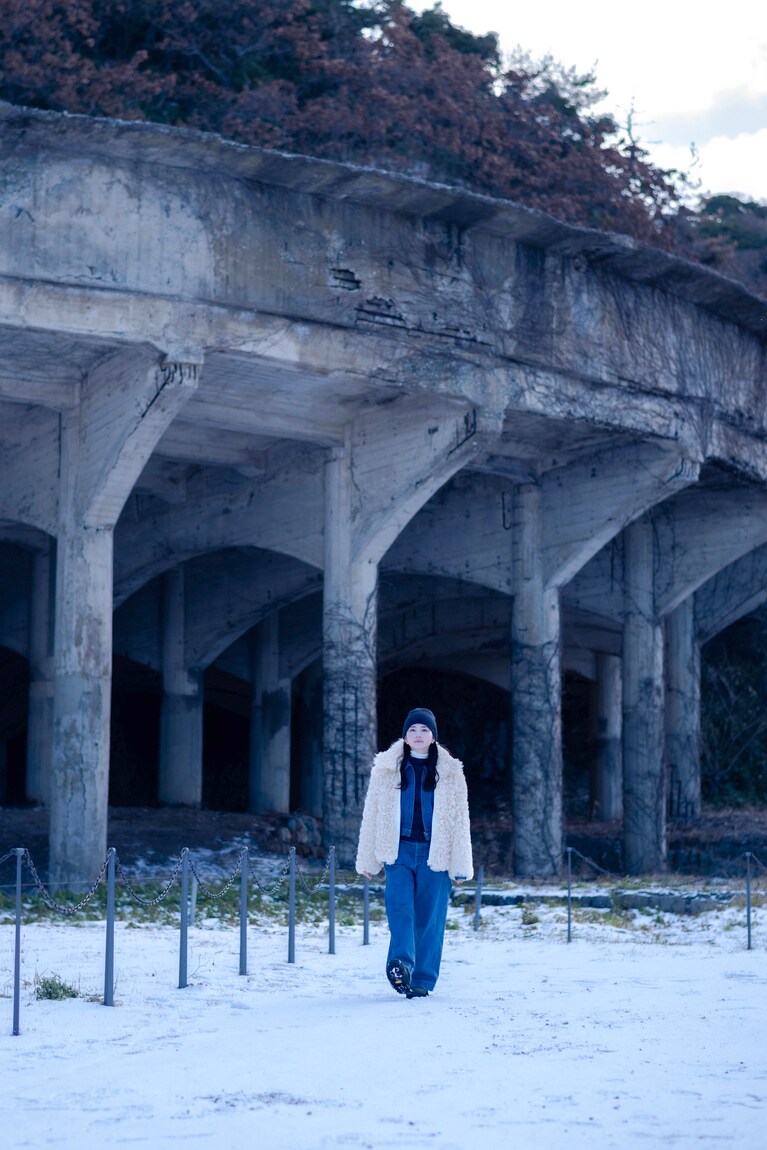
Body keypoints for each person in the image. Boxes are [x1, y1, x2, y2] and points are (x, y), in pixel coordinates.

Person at [356, 707, 473, 999]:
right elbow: (371, 815)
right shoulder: (385, 769)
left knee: (430, 919)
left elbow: (461, 820)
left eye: (424, 730)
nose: (418, 735)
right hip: (399, 852)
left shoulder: (450, 772)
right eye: (412, 730)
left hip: (437, 854)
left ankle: (422, 979)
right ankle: (401, 965)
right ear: (405, 735)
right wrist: (368, 858)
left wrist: (460, 865)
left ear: (433, 736)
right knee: (400, 909)